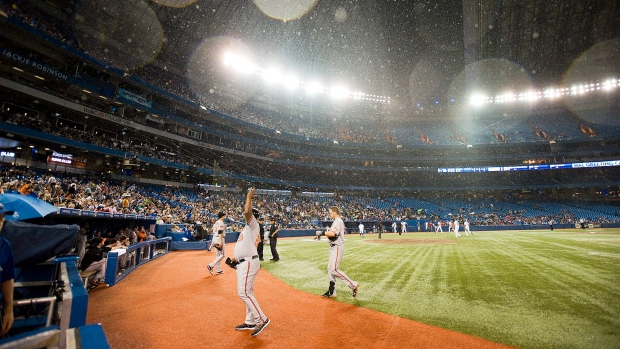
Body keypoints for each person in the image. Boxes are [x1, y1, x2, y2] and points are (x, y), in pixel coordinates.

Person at [233, 188, 270, 337]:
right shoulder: (248, 228)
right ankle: (250, 321)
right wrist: (235, 261)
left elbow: (247, 212)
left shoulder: (253, 224)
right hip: (245, 262)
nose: (245, 215)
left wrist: (249, 198)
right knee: (248, 292)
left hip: (248, 262)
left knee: (243, 293)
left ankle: (262, 318)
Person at [322, 206, 359, 298]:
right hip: (333, 246)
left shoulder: (338, 221)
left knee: (334, 270)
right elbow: (331, 235)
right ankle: (332, 291)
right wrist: (327, 233)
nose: (330, 214)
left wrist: (323, 233)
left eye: (331, 212)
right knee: (330, 269)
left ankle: (353, 285)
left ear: (335, 212)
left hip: (337, 247)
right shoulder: (336, 222)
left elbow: (334, 234)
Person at [0, 204, 16, 336]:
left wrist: (9, 310)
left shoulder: (4, 245)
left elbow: (7, 279)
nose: (1, 222)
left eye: (2, 218)